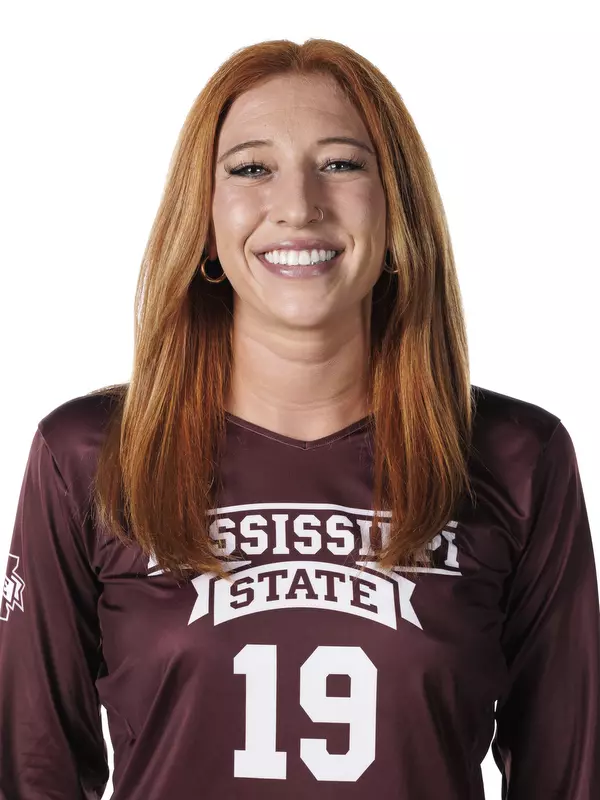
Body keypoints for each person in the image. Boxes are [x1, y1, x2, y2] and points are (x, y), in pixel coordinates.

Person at [0, 37, 598, 800]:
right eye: (252, 168)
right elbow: (32, 771)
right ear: (206, 220)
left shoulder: (517, 459)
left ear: (396, 209)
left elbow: (568, 773)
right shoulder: (86, 456)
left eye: (342, 164)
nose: (298, 206)